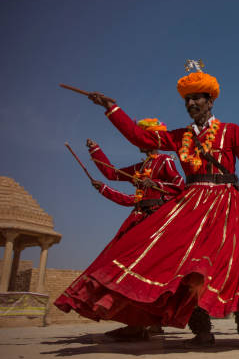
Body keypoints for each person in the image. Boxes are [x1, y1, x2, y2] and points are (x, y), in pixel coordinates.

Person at [54, 61, 239, 345]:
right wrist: (111, 110)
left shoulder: (231, 131)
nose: (191, 103)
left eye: (197, 98)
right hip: (192, 204)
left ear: (210, 101)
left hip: (227, 204)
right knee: (185, 263)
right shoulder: (179, 136)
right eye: (187, 99)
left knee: (238, 262)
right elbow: (138, 136)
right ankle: (201, 331)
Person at [57, 123, 185, 341]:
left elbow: (180, 185)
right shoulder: (140, 166)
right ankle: (138, 324)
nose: (139, 141)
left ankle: (145, 323)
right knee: (118, 266)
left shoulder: (165, 160)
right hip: (137, 219)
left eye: (143, 137)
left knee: (141, 271)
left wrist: (153, 184)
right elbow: (112, 174)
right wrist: (95, 151)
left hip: (155, 220)